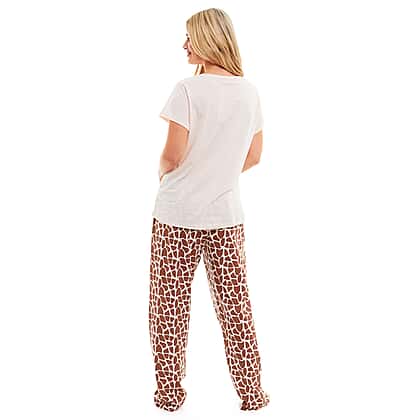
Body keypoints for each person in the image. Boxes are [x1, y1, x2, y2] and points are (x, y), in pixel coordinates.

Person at [149, 7, 269, 412]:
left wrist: (164, 174)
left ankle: (169, 396)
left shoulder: (187, 90)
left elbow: (172, 155)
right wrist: (218, 171)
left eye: (189, 37)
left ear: (207, 39)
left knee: (168, 310)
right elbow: (254, 156)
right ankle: (252, 394)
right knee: (236, 310)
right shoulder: (249, 92)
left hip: (176, 218)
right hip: (225, 218)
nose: (184, 45)